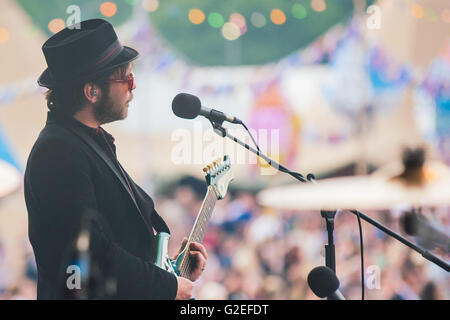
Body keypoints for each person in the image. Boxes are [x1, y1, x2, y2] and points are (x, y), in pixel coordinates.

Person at [24, 18, 207, 300]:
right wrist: (165, 286)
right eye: (127, 79)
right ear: (92, 91)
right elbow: (91, 252)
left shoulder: (85, 142)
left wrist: (171, 270)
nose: (133, 89)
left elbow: (118, 240)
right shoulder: (58, 152)